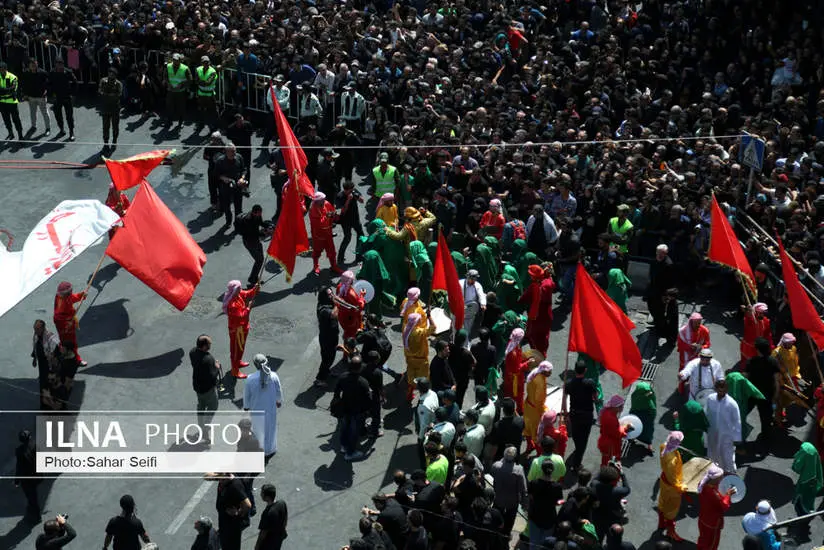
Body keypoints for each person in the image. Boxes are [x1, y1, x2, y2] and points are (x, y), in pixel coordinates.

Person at [244, 354, 283, 459]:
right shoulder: (273, 376)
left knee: (258, 430)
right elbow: (278, 390)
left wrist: (246, 406)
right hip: (270, 409)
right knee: (270, 429)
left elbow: (247, 395)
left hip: (256, 410)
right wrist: (278, 401)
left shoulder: (250, 379)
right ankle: (270, 449)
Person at [333, 356, 371, 461]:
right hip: (357, 411)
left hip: (345, 409)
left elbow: (337, 391)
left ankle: (344, 446)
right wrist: (368, 410)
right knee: (353, 432)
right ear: (360, 368)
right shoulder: (363, 382)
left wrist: (337, 400)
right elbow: (368, 399)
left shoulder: (343, 377)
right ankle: (350, 453)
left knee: (344, 428)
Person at [744, 337, 781, 444]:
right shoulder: (773, 362)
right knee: (766, 420)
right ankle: (765, 440)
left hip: (752, 394)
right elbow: (777, 381)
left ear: (758, 349)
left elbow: (745, 377)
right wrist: (775, 397)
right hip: (767, 396)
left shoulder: (751, 361)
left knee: (741, 414)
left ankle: (737, 436)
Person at [565, 361, 598, 471]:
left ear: (575, 370)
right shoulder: (590, 383)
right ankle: (576, 465)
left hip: (574, 414)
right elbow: (596, 397)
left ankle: (577, 449)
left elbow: (564, 397)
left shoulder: (569, 383)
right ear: (585, 370)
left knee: (575, 434)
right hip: (586, 415)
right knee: (583, 440)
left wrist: (566, 413)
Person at [223, 279, 258, 379]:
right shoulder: (232, 304)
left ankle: (238, 362)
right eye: (239, 288)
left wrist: (255, 288)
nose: (240, 290)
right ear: (234, 290)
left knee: (241, 347)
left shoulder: (237, 294)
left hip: (242, 328)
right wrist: (249, 307)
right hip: (236, 331)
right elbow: (241, 316)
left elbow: (247, 293)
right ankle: (235, 371)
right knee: (235, 350)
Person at [490, 446, 528, 537]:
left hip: (498, 499)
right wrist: (524, 503)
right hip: (512, 501)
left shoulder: (496, 465)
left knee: (496, 519)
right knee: (509, 521)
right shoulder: (518, 469)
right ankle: (506, 535)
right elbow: (523, 489)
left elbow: (492, 477)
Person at [207, 473, 251, 550]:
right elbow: (206, 476)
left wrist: (237, 513)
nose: (220, 481)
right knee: (224, 543)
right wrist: (215, 476)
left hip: (232, 524)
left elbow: (247, 505)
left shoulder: (235, 486)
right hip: (224, 520)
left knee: (231, 546)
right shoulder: (223, 478)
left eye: (222, 479)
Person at [518, 265, 555, 355]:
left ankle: (537, 355)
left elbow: (523, 299)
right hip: (547, 315)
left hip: (536, 316)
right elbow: (551, 281)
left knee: (532, 336)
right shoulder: (548, 283)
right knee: (544, 336)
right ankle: (543, 353)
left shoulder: (533, 287)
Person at [705, 379, 741, 473]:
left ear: (726, 390)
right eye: (719, 390)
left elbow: (737, 421)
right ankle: (713, 473)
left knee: (727, 455)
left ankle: (730, 473)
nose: (721, 392)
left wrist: (737, 438)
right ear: (715, 389)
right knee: (712, 453)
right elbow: (706, 412)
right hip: (712, 432)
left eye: (723, 390)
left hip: (726, 435)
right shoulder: (710, 399)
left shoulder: (732, 404)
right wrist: (704, 426)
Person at [657, 431, 687, 541]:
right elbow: (673, 479)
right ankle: (671, 531)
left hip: (664, 480)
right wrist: (681, 487)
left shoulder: (664, 446)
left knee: (663, 502)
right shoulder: (672, 460)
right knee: (672, 509)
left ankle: (661, 523)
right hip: (671, 486)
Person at [695, 465, 734, 550]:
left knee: (703, 538)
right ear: (715, 479)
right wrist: (728, 495)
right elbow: (724, 506)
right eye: (720, 477)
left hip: (702, 518)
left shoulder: (702, 484)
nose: (722, 478)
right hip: (712, 523)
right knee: (711, 544)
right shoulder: (713, 493)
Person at [527, 458, 563, 546]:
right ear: (552, 470)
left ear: (542, 469)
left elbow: (530, 497)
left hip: (535, 516)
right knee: (545, 545)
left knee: (533, 544)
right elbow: (560, 501)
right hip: (549, 518)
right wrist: (560, 502)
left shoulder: (534, 483)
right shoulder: (557, 486)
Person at [591, 464, 631, 543]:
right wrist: (622, 473)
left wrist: (605, 470)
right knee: (612, 538)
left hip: (597, 517)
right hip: (613, 519)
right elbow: (627, 488)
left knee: (598, 537)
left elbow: (596, 477)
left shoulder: (594, 485)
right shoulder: (617, 491)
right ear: (613, 481)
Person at [791, 442, 823, 538]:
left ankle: (803, 521)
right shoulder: (814, 457)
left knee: (801, 504)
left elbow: (796, 467)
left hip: (805, 484)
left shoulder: (806, 453)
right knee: (808, 502)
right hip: (812, 481)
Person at [190, 335, 220, 430]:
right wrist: (216, 367)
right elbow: (212, 375)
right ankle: (206, 425)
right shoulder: (208, 360)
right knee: (213, 405)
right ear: (204, 346)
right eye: (209, 344)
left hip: (197, 385)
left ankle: (200, 422)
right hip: (208, 389)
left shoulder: (192, 352)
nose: (210, 345)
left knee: (201, 404)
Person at [403, 312, 436, 402]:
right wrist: (429, 317)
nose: (421, 320)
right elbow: (433, 328)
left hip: (410, 360)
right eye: (419, 319)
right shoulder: (420, 332)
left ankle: (409, 396)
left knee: (411, 381)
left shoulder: (406, 329)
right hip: (421, 361)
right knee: (423, 382)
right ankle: (423, 399)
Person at [724, 372, 765, 443]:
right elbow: (756, 392)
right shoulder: (742, 380)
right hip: (741, 407)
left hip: (727, 407)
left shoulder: (730, 378)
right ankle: (739, 443)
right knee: (740, 424)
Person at [53, 281, 87, 366]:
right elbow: (58, 317)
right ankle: (76, 360)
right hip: (65, 325)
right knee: (71, 343)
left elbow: (72, 298)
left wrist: (80, 295)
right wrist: (68, 323)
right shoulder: (61, 302)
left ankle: (63, 357)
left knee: (65, 342)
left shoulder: (64, 296)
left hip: (68, 323)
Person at [676, 312, 711, 394]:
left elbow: (708, 343)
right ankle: (681, 384)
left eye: (699, 323)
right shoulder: (683, 331)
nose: (698, 325)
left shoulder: (704, 330)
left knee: (696, 372)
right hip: (685, 356)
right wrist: (690, 347)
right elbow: (680, 345)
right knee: (683, 371)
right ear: (691, 322)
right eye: (696, 323)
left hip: (698, 355)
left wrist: (701, 347)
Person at [235, 205, 268, 288]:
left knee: (260, 259)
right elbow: (253, 233)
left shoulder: (257, 216)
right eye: (259, 213)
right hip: (249, 242)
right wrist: (265, 233)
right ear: (254, 212)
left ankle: (254, 278)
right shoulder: (248, 220)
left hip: (256, 241)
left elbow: (261, 223)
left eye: (261, 213)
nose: (260, 214)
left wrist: (267, 226)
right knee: (259, 260)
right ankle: (252, 280)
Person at [215, 143, 248, 227]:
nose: (234, 153)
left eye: (235, 150)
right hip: (225, 187)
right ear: (226, 152)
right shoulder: (220, 161)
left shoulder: (239, 157)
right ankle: (228, 221)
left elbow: (244, 169)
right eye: (232, 151)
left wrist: (242, 178)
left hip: (237, 185)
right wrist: (224, 178)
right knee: (226, 206)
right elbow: (215, 174)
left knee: (238, 206)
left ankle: (238, 223)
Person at [645, 244, 675, 337]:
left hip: (661, 291)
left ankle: (661, 330)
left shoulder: (668, 264)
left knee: (659, 311)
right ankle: (657, 323)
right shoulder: (654, 261)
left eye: (661, 253)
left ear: (665, 254)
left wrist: (666, 295)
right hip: (652, 289)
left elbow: (670, 281)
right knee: (651, 307)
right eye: (658, 252)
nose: (659, 255)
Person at [310, 192, 343, 275]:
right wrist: (328, 217)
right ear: (317, 201)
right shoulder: (313, 209)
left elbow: (332, 212)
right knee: (317, 251)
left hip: (328, 233)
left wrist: (334, 215)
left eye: (324, 199)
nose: (324, 201)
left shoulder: (326, 203)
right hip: (318, 235)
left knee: (332, 251)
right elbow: (319, 224)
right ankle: (315, 265)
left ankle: (334, 266)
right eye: (322, 200)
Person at [523, 360, 553, 453]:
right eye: (549, 371)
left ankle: (529, 446)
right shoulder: (540, 381)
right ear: (544, 371)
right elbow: (539, 400)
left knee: (527, 428)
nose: (551, 373)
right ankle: (539, 452)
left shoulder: (535, 372)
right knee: (536, 432)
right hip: (535, 410)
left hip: (528, 405)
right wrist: (545, 410)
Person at [772, 332, 802, 423]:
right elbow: (773, 368)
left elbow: (796, 362)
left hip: (792, 378)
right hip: (781, 380)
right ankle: (777, 417)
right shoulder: (776, 353)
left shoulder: (794, 349)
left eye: (792, 341)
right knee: (778, 399)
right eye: (789, 342)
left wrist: (796, 373)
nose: (791, 343)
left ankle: (781, 411)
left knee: (790, 398)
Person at [502, 328, 532, 414]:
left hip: (509, 374)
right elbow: (517, 369)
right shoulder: (514, 352)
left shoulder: (511, 343)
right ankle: (519, 410)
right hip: (516, 378)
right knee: (518, 394)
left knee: (509, 391)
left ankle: (508, 406)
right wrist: (527, 363)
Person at [314, 287, 339, 387]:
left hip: (332, 335)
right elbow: (333, 314)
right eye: (329, 294)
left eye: (331, 293)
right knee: (327, 358)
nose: (331, 295)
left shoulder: (330, 302)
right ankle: (320, 379)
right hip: (326, 338)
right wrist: (337, 304)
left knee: (331, 356)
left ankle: (327, 371)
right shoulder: (322, 308)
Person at [335, 180, 364, 265]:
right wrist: (348, 200)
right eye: (350, 190)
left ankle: (359, 256)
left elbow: (362, 201)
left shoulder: (354, 191)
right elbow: (342, 211)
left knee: (361, 236)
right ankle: (340, 257)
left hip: (355, 219)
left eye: (352, 189)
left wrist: (357, 197)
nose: (352, 191)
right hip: (346, 221)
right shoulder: (340, 196)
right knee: (347, 238)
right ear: (345, 190)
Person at [15, 429, 41, 522]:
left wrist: (16, 481)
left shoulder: (19, 451)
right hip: (36, 476)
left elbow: (19, 467)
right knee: (33, 496)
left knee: (32, 498)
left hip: (27, 479)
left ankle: (36, 516)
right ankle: (32, 512)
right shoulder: (34, 446)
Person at [47, 58, 75, 140]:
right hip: (57, 97)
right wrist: (51, 95)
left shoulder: (68, 72)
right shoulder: (52, 73)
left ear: (63, 64)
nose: (59, 66)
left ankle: (71, 132)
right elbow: (49, 84)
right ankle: (62, 129)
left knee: (69, 116)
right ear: (55, 65)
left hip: (67, 97)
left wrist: (73, 94)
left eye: (61, 64)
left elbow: (75, 82)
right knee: (58, 115)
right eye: (58, 64)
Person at [20, 58, 50, 135]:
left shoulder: (42, 73)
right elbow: (24, 85)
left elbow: (49, 83)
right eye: (31, 65)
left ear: (37, 64)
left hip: (41, 97)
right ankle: (33, 126)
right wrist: (25, 94)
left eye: (34, 64)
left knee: (45, 113)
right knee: (32, 113)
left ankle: (48, 128)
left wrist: (46, 91)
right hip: (31, 97)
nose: (33, 66)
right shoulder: (26, 73)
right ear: (29, 66)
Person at [598, 395, 629, 466]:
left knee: (605, 460)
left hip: (604, 441)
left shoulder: (607, 412)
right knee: (607, 462)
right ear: (616, 407)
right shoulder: (611, 418)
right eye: (621, 406)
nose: (623, 408)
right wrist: (625, 427)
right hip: (609, 445)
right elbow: (617, 434)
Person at [256, 484, 288, 550]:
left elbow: (263, 533)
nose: (260, 494)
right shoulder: (282, 503)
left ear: (267, 497)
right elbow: (285, 518)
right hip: (278, 539)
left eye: (262, 493)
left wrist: (257, 546)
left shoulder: (267, 513)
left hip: (268, 544)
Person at [336, 270, 366, 339]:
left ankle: (347, 336)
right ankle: (349, 343)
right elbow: (360, 306)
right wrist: (362, 296)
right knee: (351, 331)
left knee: (346, 328)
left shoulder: (340, 286)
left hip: (341, 315)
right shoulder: (351, 294)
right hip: (351, 317)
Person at [165, 53, 192, 128]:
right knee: (169, 106)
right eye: (173, 59)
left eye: (176, 60)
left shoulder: (185, 68)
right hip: (170, 90)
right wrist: (168, 83)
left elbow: (190, 80)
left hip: (180, 92)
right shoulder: (168, 66)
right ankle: (169, 121)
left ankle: (181, 121)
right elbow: (165, 76)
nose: (174, 61)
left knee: (181, 107)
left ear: (180, 61)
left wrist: (181, 85)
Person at [449, 330, 476, 406]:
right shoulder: (466, 353)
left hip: (451, 376)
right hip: (462, 379)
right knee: (459, 397)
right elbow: (474, 363)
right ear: (464, 340)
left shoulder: (450, 347)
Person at [31, 319, 60, 391]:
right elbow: (35, 347)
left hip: (50, 363)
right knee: (43, 379)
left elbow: (57, 350)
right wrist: (34, 359)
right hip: (41, 362)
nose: (35, 331)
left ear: (43, 328)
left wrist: (54, 365)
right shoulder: (36, 335)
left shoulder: (51, 338)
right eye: (34, 329)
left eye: (37, 329)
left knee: (52, 380)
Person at [628, 381, 656, 453]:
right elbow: (653, 409)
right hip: (647, 418)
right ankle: (649, 445)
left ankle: (632, 438)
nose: (649, 392)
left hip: (635, 415)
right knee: (648, 431)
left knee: (634, 428)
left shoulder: (635, 395)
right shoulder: (649, 399)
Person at [99, 67, 122, 151]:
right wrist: (108, 95)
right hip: (105, 108)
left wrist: (108, 95)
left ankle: (114, 141)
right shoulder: (103, 81)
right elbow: (100, 91)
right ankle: (106, 143)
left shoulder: (118, 83)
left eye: (112, 74)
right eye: (109, 73)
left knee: (115, 126)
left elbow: (119, 95)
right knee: (105, 127)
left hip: (115, 108)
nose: (110, 75)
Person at [460, 269, 487, 342]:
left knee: (468, 325)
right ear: (468, 277)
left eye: (475, 279)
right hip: (460, 308)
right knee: (458, 325)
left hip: (471, 309)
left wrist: (483, 304)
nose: (474, 281)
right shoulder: (460, 283)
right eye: (472, 279)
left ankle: (465, 339)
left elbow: (481, 295)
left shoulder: (477, 285)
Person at [0, 61, 23, 140]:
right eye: (0, 69)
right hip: (2, 103)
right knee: (6, 120)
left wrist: (2, 91)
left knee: (16, 120)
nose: (2, 70)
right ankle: (10, 133)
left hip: (12, 102)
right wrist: (6, 90)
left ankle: (20, 135)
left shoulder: (12, 77)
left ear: (6, 69)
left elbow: (13, 89)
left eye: (3, 69)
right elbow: (9, 89)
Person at [195, 56, 218, 129]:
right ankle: (201, 124)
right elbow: (196, 80)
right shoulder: (198, 69)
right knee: (201, 110)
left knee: (212, 111)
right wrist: (201, 82)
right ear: (201, 63)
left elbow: (208, 82)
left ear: (209, 62)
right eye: (204, 62)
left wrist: (200, 82)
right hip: (201, 94)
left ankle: (213, 126)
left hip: (210, 95)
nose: (206, 64)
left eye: (207, 62)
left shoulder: (213, 71)